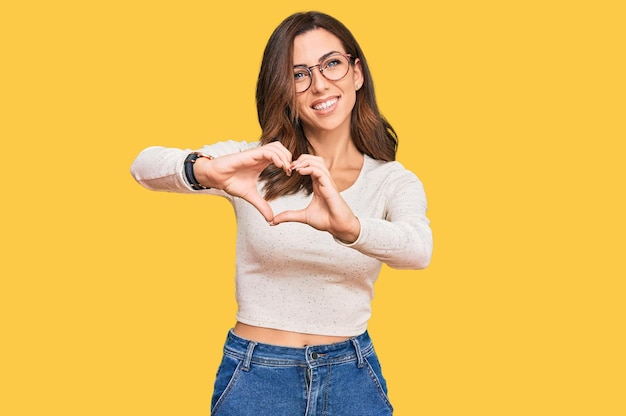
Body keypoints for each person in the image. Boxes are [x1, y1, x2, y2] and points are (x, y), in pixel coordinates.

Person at [131, 10, 432, 415]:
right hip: (257, 376)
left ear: (357, 73)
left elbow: (418, 250)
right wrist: (207, 169)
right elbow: (143, 166)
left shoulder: (393, 180)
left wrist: (350, 227)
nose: (319, 84)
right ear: (284, 90)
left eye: (332, 64)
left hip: (351, 379)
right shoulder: (255, 163)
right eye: (299, 73)